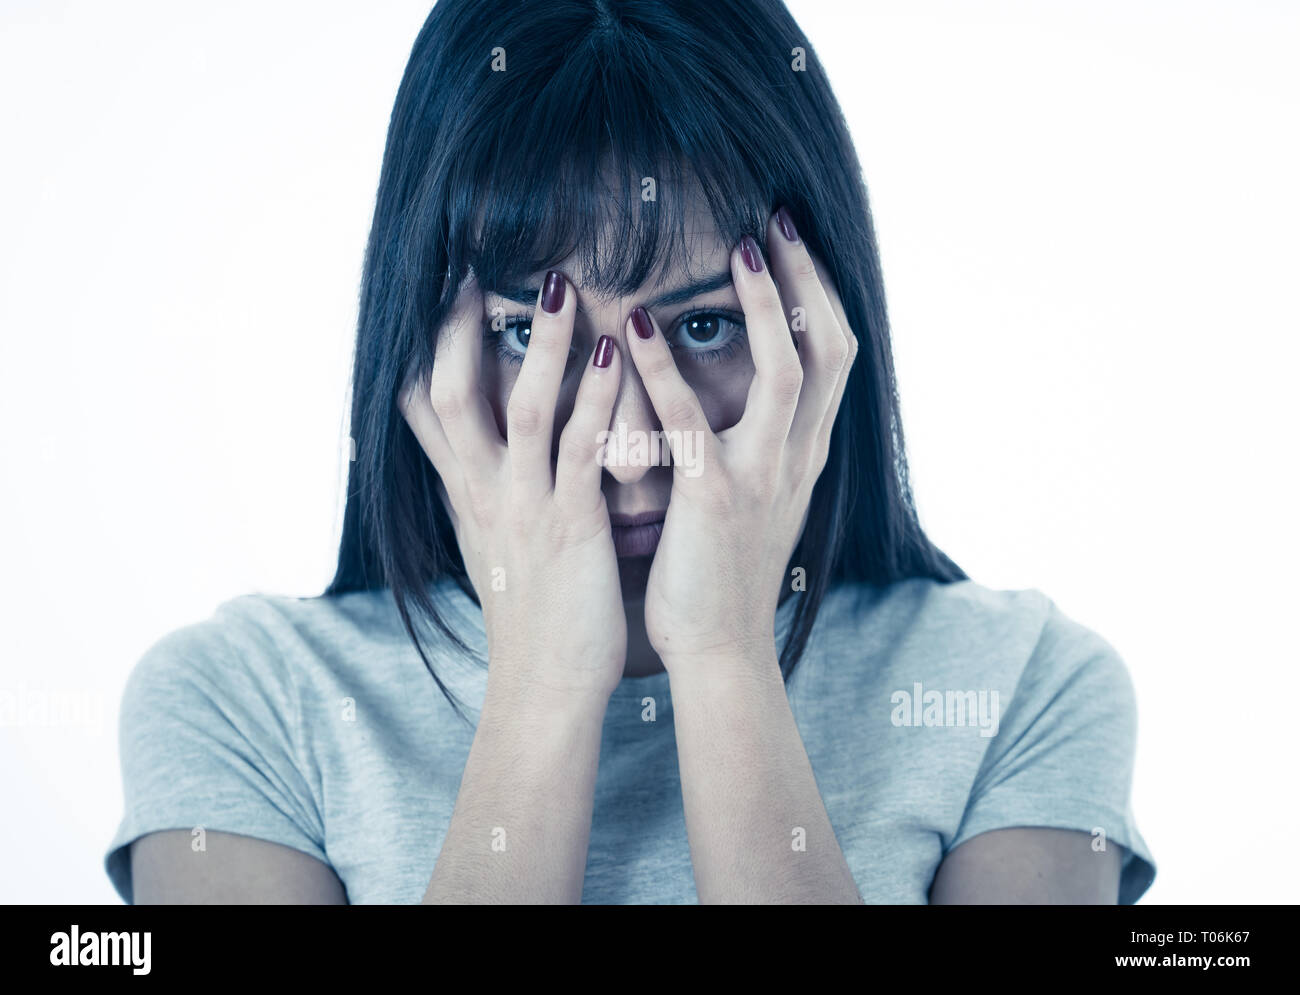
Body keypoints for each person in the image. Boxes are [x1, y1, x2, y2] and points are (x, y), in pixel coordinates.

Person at [105, 0, 1156, 904]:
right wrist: (543, 683)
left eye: (702, 325)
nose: (628, 444)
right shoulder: (241, 703)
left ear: (821, 332)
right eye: (532, 332)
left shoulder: (1017, 683)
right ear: (422, 348)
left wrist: (724, 657)